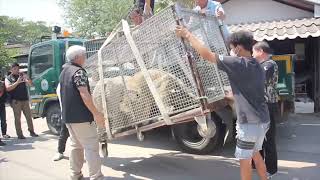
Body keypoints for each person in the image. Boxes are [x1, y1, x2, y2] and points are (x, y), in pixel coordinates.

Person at [175, 27, 270, 180]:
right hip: (263, 121)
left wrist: (187, 34)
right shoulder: (257, 65)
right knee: (256, 155)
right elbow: (251, 91)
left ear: (238, 48)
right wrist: (234, 97)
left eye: (232, 48)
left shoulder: (237, 63)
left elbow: (206, 55)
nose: (231, 51)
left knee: (245, 162)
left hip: (249, 124)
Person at [60, 45, 106, 180]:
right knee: (91, 146)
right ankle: (96, 176)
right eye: (84, 56)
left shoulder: (64, 71)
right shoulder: (78, 72)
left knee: (76, 146)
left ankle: (75, 174)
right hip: (81, 118)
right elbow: (84, 94)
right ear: (78, 57)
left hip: (69, 117)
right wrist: (96, 113)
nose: (85, 58)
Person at [253, 41, 279, 178]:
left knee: (268, 138)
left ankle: (271, 169)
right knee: (259, 138)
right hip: (260, 106)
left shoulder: (269, 64)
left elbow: (258, 80)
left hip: (267, 105)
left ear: (260, 51)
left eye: (253, 51)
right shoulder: (261, 65)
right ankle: (257, 165)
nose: (252, 54)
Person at [5, 63, 38, 139]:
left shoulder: (22, 75)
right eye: (14, 69)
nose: (16, 70)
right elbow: (8, 88)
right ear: (11, 70)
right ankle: (20, 135)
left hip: (25, 100)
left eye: (17, 68)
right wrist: (17, 82)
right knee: (17, 118)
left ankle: (32, 131)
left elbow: (31, 85)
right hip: (16, 101)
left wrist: (28, 79)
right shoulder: (8, 78)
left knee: (29, 117)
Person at [53, 83, 70, 161]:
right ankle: (60, 152)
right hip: (67, 114)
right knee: (64, 134)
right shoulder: (61, 85)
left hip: (74, 114)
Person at [0, 81, 7, 146]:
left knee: (3, 120)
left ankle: (4, 133)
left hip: (1, 105)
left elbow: (5, 93)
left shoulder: (2, 83)